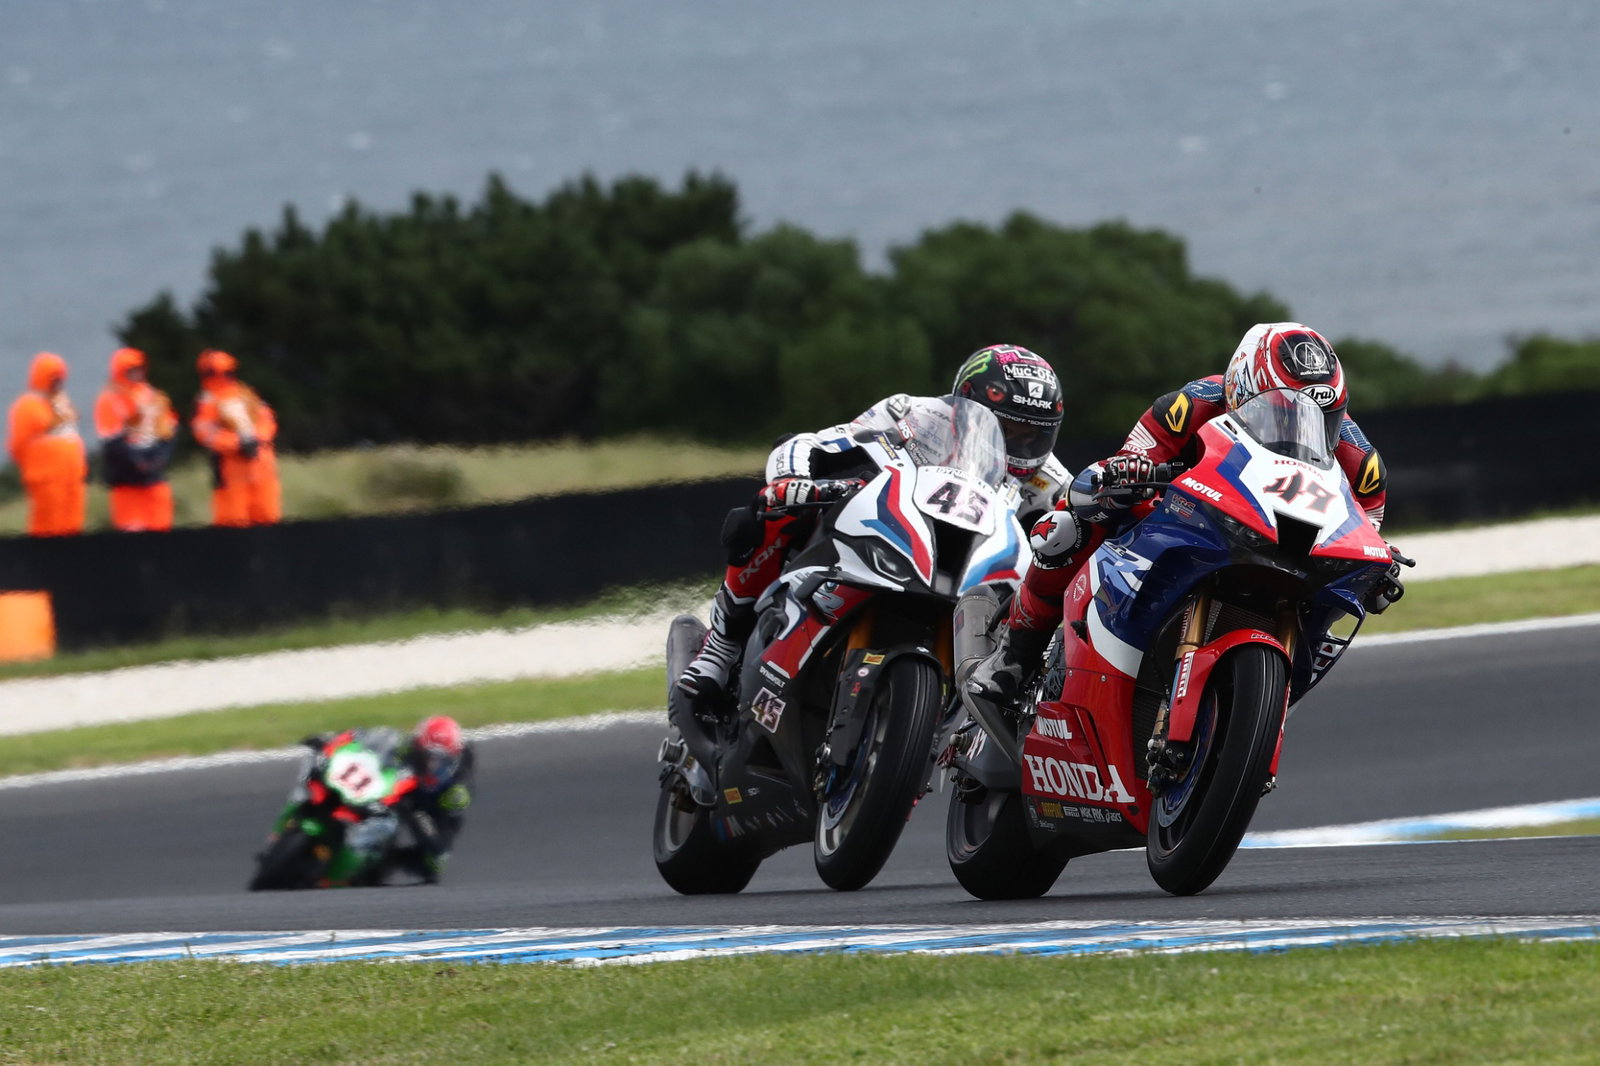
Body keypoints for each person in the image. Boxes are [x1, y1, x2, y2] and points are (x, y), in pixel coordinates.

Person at [967, 322, 1391, 710]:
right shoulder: (1190, 405)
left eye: (1324, 417)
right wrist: (1128, 474)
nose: (1300, 425)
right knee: (1072, 520)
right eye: (1281, 410)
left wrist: (1375, 571)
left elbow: (1361, 533)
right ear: (1241, 389)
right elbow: (1125, 464)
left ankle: (1257, 706)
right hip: (1182, 517)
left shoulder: (1363, 465)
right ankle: (1015, 655)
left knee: (1341, 592)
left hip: (1280, 544)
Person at [676, 343, 1071, 701]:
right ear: (963, 402)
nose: (1014, 444)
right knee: (770, 515)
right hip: (880, 534)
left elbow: (1082, 539)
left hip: (971, 582)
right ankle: (721, 646)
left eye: (1030, 436)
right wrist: (790, 483)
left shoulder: (1052, 482)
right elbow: (809, 444)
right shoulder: (913, 415)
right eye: (1004, 429)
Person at [294, 715, 475, 885]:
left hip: (425, 810)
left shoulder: (457, 792)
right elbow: (363, 737)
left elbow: (440, 843)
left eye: (438, 762)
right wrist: (331, 742)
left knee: (433, 861)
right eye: (426, 757)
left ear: (452, 761)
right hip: (393, 789)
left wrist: (411, 812)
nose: (431, 765)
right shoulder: (405, 746)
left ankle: (360, 873)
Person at [191, 349, 281, 527]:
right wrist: (237, 443)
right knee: (233, 525)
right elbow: (205, 432)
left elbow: (267, 419)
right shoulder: (206, 401)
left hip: (262, 468)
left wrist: (257, 438)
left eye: (229, 371)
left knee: (269, 522)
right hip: (232, 474)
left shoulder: (247, 394)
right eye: (223, 372)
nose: (227, 376)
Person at [94, 347, 178, 532]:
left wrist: (160, 459)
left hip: (155, 476)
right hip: (126, 480)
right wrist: (138, 462)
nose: (136, 373)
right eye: (130, 369)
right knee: (132, 532)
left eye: (139, 368)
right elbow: (111, 441)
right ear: (119, 370)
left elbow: (170, 431)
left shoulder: (153, 396)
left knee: (162, 528)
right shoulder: (109, 399)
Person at [7, 351, 88, 537]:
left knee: (73, 528)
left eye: (60, 377)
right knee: (48, 529)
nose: (57, 382)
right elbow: (17, 446)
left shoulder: (62, 403)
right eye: (53, 377)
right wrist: (41, 461)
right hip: (47, 478)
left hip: (72, 477)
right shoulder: (27, 405)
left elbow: (71, 431)